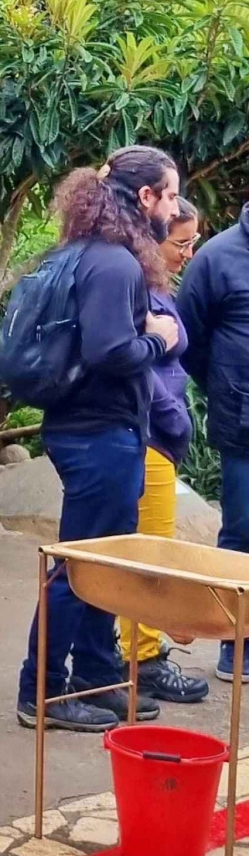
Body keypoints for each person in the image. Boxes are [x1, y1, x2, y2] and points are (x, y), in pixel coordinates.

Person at [16, 145, 183, 732]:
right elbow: (110, 351)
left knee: (101, 562)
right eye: (169, 193)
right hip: (99, 435)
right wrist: (160, 338)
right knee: (80, 565)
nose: (175, 206)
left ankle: (94, 675)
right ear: (145, 198)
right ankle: (43, 692)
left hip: (86, 430)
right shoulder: (114, 264)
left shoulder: (81, 255)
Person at [117, 198, 209, 703]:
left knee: (146, 549)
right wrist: (175, 422)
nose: (189, 254)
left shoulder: (154, 287)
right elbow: (142, 371)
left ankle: (132, 648)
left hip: (157, 436)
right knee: (150, 556)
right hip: (151, 434)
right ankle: (143, 658)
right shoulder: (138, 291)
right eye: (181, 243)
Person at [179, 199, 249, 681]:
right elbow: (190, 339)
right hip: (242, 421)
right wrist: (226, 387)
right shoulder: (217, 257)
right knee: (241, 533)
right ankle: (234, 644)